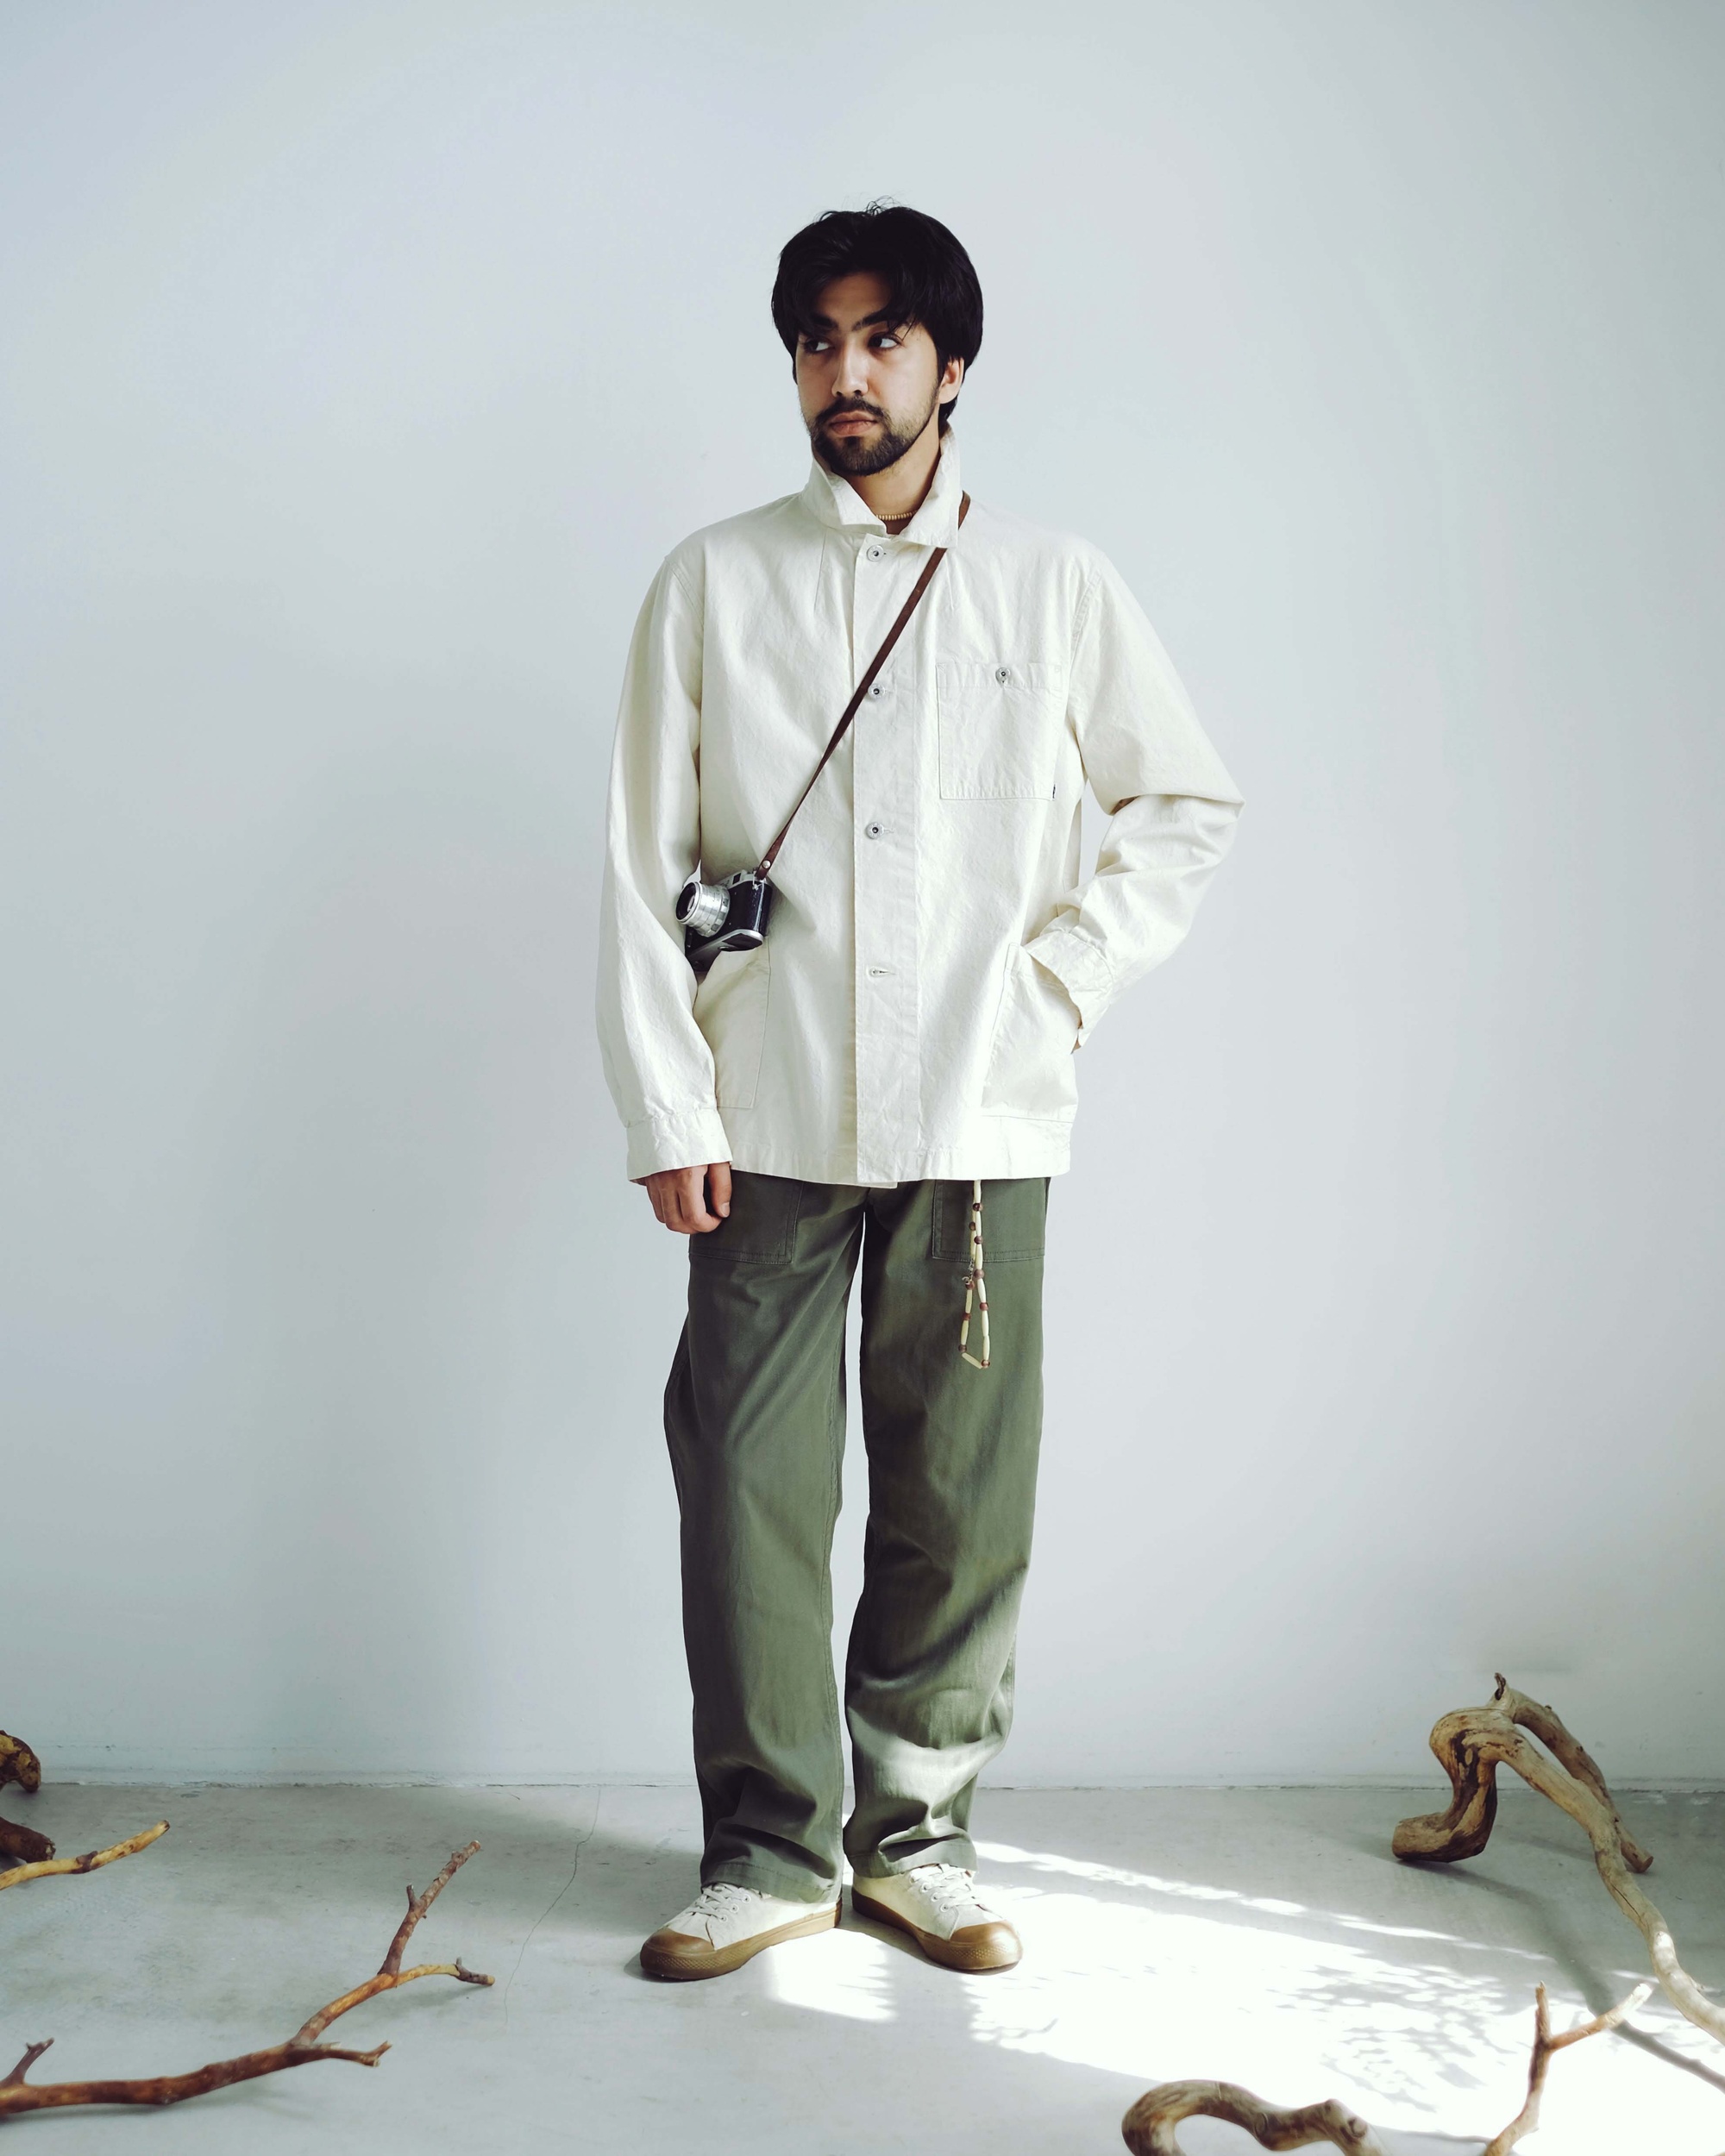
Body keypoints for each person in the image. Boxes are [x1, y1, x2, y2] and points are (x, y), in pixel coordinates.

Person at [596, 202, 1242, 1983]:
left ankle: (919, 1837)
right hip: (767, 1107)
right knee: (747, 1486)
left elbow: (1184, 802)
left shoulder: (1054, 583)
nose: (846, 372)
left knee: (958, 1491)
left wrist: (1058, 979)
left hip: (979, 1108)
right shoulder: (713, 581)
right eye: (817, 339)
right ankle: (765, 1850)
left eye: (881, 338)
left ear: (952, 367)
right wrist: (669, 1107)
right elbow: (641, 861)